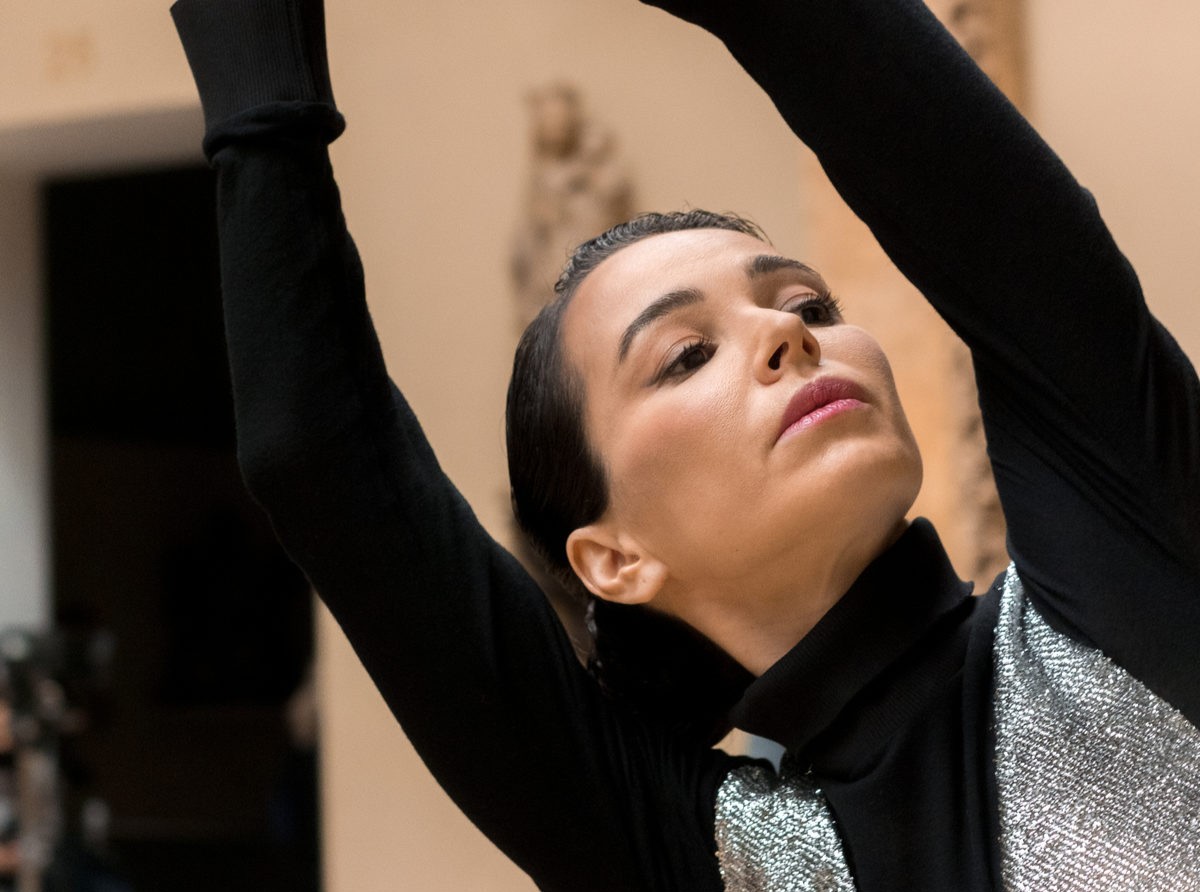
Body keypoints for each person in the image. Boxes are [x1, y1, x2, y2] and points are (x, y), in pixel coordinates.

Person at [170, 0, 1200, 889]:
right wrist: (260, 86)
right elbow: (324, 466)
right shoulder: (702, 857)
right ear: (613, 558)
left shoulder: (1131, 566)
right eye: (686, 355)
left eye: (808, 303)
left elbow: (992, 217)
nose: (789, 334)